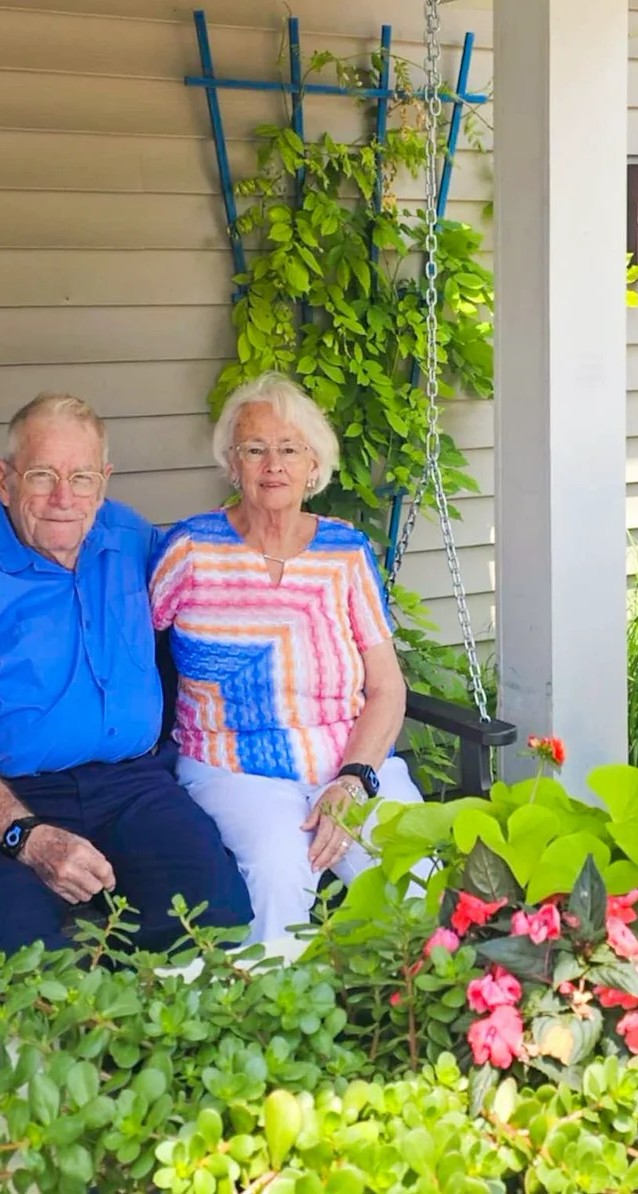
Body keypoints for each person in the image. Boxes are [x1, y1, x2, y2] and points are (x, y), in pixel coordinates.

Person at [0, 393, 251, 955]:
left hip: (134, 784)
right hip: (6, 799)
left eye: (82, 477)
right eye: (42, 475)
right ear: (4, 480)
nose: (64, 499)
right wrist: (25, 835)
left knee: (217, 921)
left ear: (104, 481)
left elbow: (225, 601)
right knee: (17, 958)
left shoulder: (134, 540)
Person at [148, 373, 424, 944]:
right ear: (232, 463)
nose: (272, 464)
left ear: (313, 466)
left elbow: (387, 689)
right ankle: (277, 1020)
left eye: (289, 449)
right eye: (255, 449)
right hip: (233, 765)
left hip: (347, 760)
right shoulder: (191, 550)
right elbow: (133, 649)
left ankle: (400, 1021)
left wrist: (353, 782)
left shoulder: (345, 553)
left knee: (414, 877)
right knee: (278, 875)